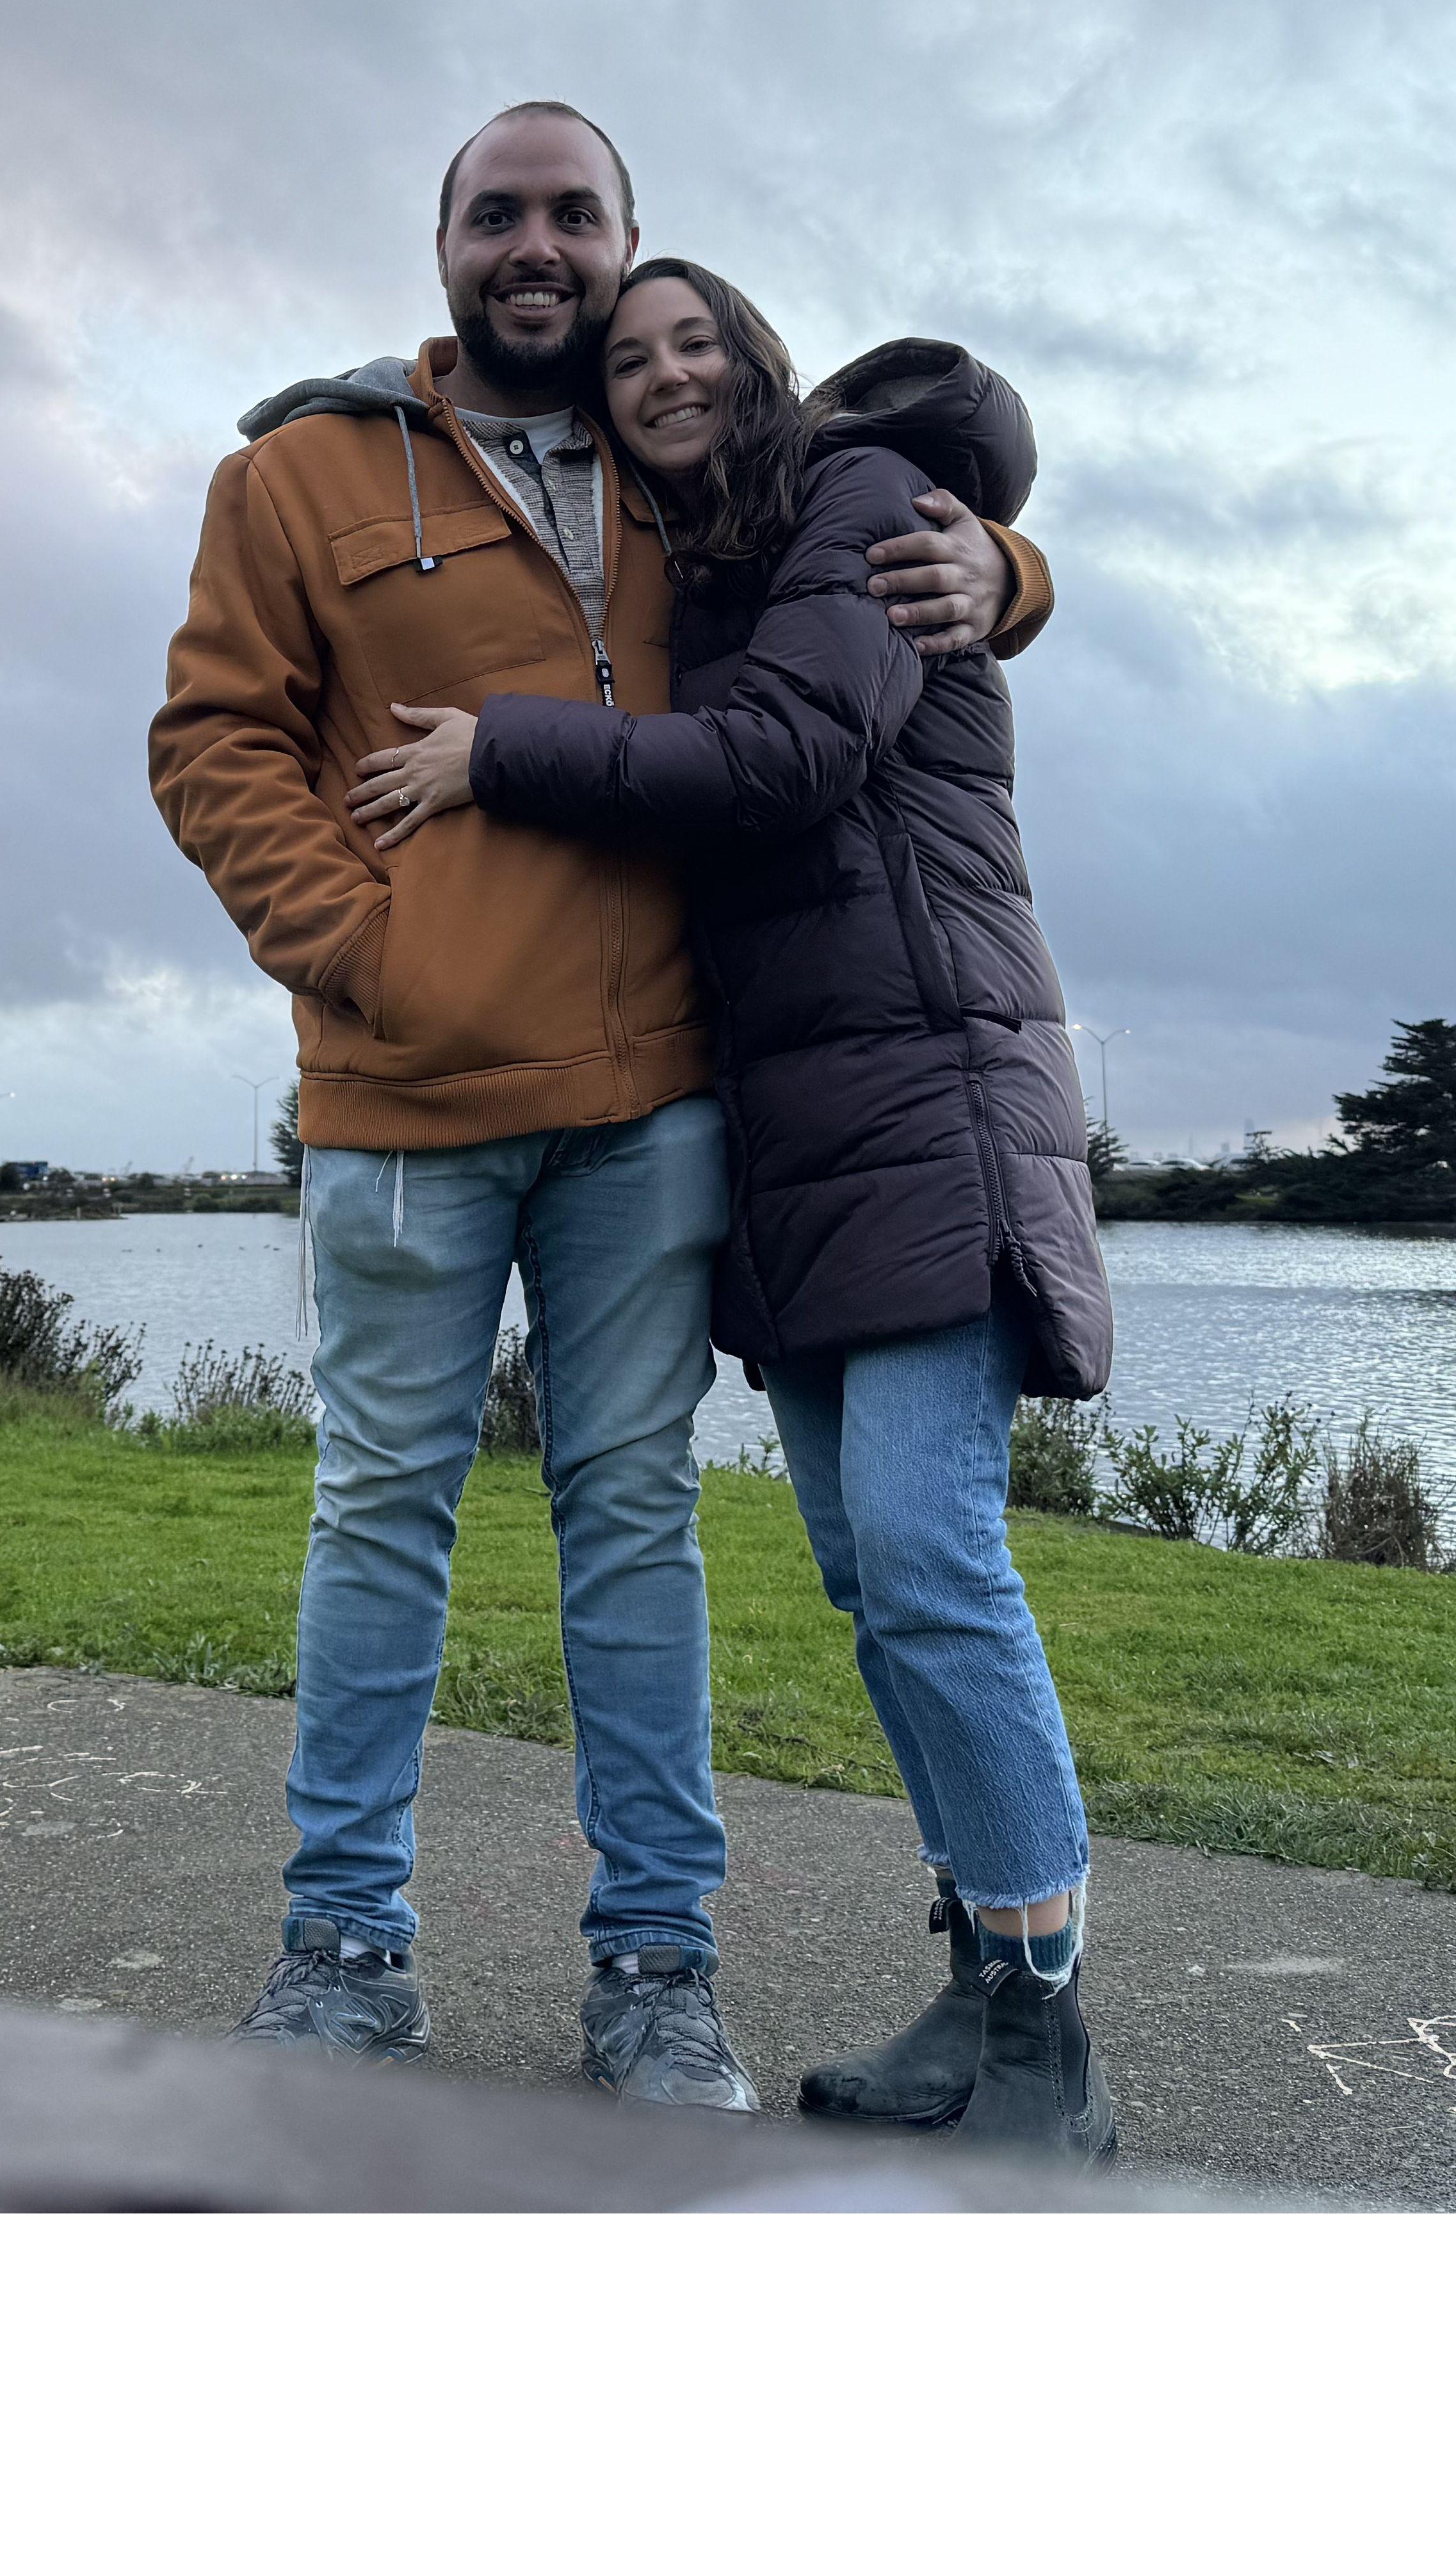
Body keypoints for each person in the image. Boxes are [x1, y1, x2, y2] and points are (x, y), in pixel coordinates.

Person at [145, 103, 1051, 2110]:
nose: (535, 247)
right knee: (379, 1513)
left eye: (576, 216)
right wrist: (369, 949)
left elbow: (873, 534)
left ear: (632, 239)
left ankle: (659, 1968)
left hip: (653, 1104)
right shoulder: (295, 473)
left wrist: (1011, 564)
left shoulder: (692, 464)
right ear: (444, 248)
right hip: (394, 1101)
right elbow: (215, 743)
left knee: (633, 1524)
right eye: (498, 216)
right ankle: (345, 1949)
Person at [343, 255, 1119, 2164]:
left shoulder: (854, 505)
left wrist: (488, 752)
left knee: (935, 1556)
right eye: (635, 359)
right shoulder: (715, 561)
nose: (670, 373)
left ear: (763, 366)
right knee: (869, 1574)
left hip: (928, 1094)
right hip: (804, 1134)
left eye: (701, 342)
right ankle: (980, 1980)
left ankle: (1050, 2047)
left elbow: (785, 759)